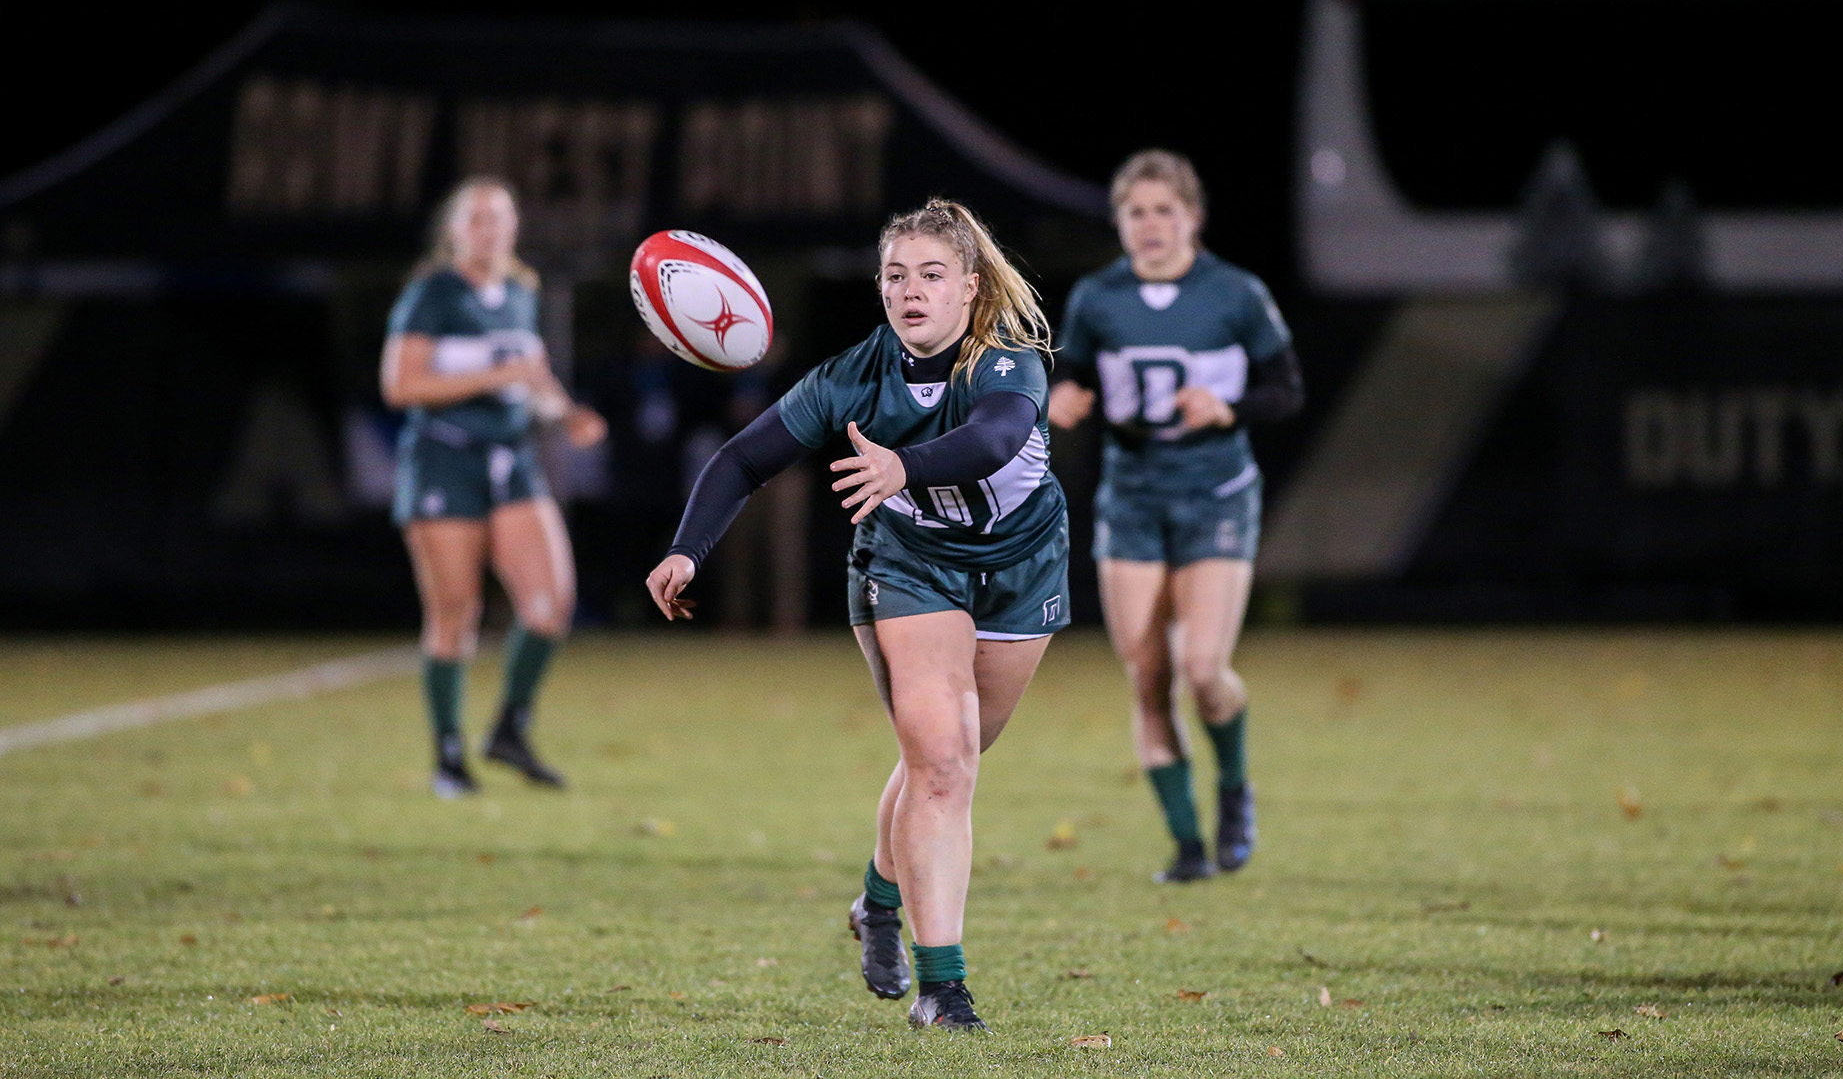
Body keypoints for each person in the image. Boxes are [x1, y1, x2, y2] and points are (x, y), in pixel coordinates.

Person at [646, 199, 1065, 1032]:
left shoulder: (1007, 360)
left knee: (950, 755)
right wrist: (688, 548)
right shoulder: (853, 374)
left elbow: (993, 438)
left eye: (932, 276)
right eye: (896, 276)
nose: (911, 292)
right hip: (908, 566)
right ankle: (944, 990)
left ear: (970, 288)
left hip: (1020, 568)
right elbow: (743, 459)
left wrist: (903, 463)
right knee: (941, 764)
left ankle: (878, 901)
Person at [1048, 150, 1304, 883]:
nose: (1152, 225)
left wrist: (1230, 408)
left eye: (1166, 210)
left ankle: (1232, 785)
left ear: (1193, 217)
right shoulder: (1098, 297)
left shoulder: (1236, 293)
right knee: (1147, 675)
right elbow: (1073, 372)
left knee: (1205, 670)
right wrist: (1062, 395)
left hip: (1215, 493)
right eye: (1137, 212)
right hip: (1132, 499)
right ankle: (1188, 847)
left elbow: (1285, 390)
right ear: (1119, 222)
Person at [381, 177, 607, 798]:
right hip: (444, 460)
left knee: (550, 604)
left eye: (502, 218)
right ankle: (448, 756)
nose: (493, 230)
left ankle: (509, 727)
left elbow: (529, 376)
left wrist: (565, 414)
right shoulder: (431, 294)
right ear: (455, 228)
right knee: (456, 612)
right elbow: (401, 386)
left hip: (512, 459)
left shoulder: (518, 291)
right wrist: (495, 373)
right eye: (479, 219)